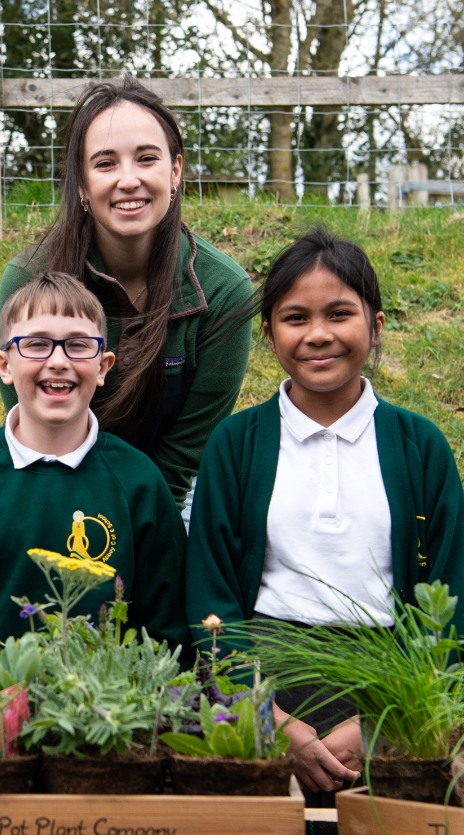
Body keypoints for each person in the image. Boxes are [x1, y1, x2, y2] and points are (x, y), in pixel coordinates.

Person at [185, 227, 464, 801]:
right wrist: (268, 719)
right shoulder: (236, 444)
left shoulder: (421, 447)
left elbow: (451, 592)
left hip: (392, 689)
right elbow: (211, 591)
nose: (318, 335)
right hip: (266, 685)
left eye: (339, 314)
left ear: (376, 325)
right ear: (268, 334)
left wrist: (384, 724)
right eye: (294, 318)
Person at [0, 77, 253, 515]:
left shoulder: (225, 291)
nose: (128, 180)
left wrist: (140, 532)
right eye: (105, 163)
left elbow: (184, 458)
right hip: (50, 483)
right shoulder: (26, 280)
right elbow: (30, 426)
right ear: (81, 185)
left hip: (166, 498)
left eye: (147, 158)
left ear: (174, 172)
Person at [0, 273, 192, 654]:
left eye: (78, 345)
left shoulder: (138, 481)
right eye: (37, 344)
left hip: (104, 706)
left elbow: (167, 631)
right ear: (3, 365)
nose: (58, 361)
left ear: (104, 366)